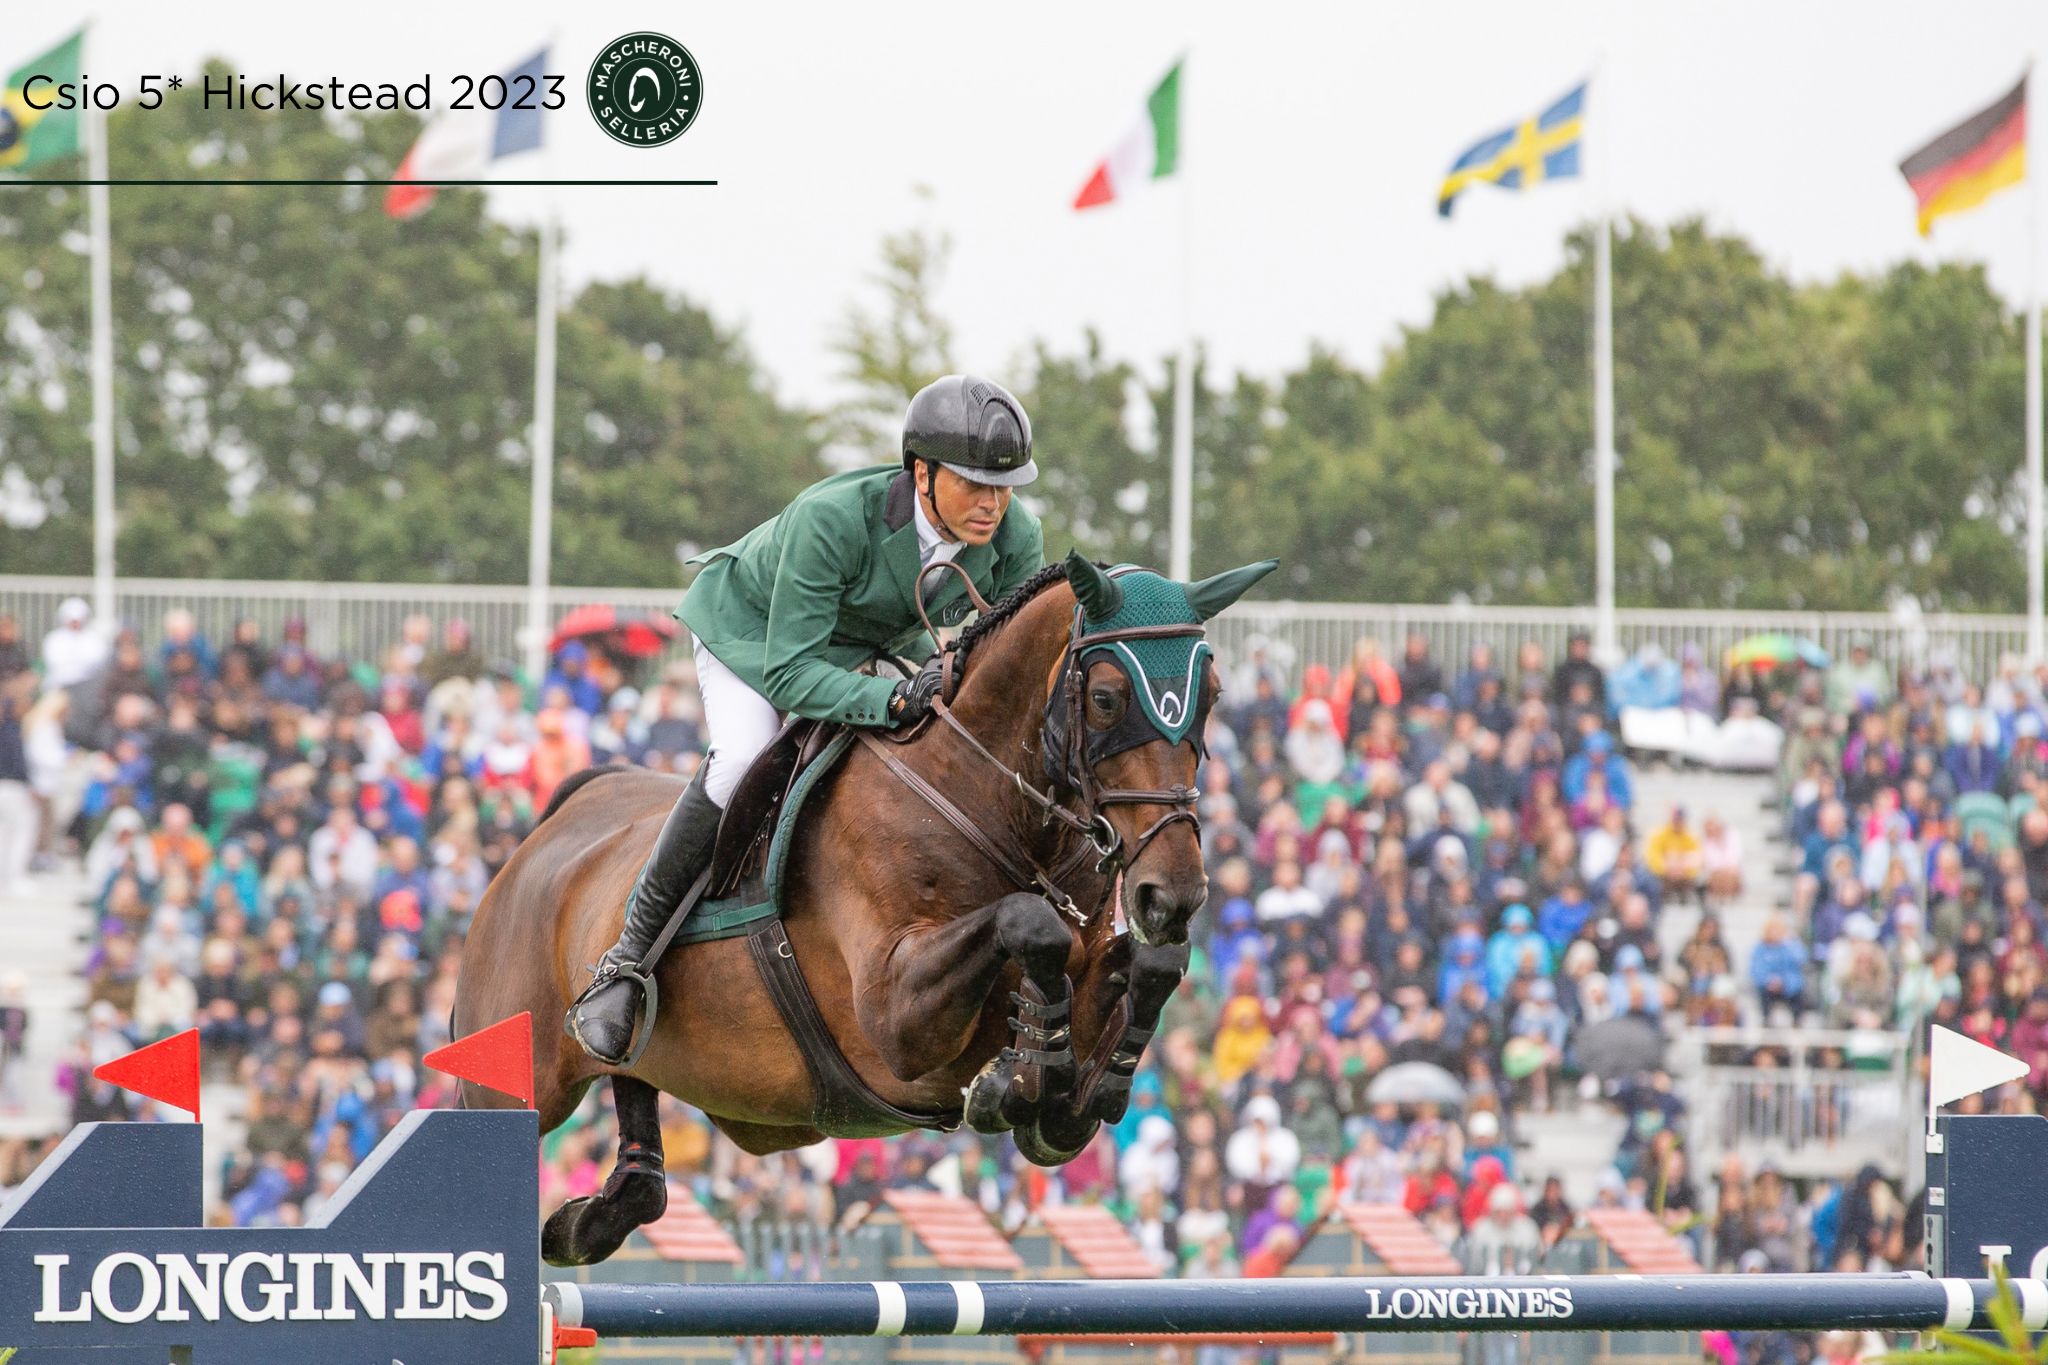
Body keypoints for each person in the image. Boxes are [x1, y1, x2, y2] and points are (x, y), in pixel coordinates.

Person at [568, 375, 1046, 1064]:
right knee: (743, 757)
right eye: (975, 484)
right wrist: (891, 699)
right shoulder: (833, 518)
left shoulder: (1014, 538)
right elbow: (792, 672)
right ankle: (626, 962)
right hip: (754, 635)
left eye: (1004, 487)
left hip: (868, 647)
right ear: (922, 472)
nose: (992, 504)